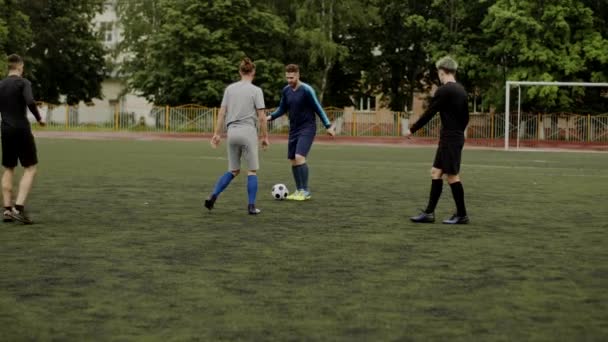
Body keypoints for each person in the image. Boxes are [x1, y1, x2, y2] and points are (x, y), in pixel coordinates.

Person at [405, 56, 470, 224]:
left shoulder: (445, 90)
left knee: (452, 176)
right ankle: (429, 213)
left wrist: (412, 129)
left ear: (442, 72)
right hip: (453, 137)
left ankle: (462, 215)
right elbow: (465, 118)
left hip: (450, 138)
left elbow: (430, 112)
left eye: (438, 73)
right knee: (436, 172)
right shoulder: (462, 90)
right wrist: (458, 133)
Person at [204, 57, 269, 215]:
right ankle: (251, 206)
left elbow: (221, 113)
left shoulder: (230, 89)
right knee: (252, 171)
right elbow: (261, 116)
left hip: (232, 132)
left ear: (240, 72)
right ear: (253, 72)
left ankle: (213, 196)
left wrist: (217, 134)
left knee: (233, 170)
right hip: (248, 132)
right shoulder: (256, 91)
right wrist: (265, 137)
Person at [266, 64, 335, 201]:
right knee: (293, 159)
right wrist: (270, 117)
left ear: (298, 75)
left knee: (299, 156)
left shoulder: (307, 90)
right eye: (287, 78)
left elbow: (318, 108)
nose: (289, 80)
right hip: (294, 129)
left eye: (291, 78)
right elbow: (282, 108)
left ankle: (306, 191)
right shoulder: (286, 90)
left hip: (307, 128)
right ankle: (298, 190)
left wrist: (328, 125)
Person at [0, 54, 46, 224]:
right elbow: (30, 101)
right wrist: (39, 118)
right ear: (20, 67)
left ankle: (7, 210)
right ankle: (19, 208)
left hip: (5, 129)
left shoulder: (1, 84)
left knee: (8, 168)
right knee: (30, 168)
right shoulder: (23, 82)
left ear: (9, 67)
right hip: (21, 129)